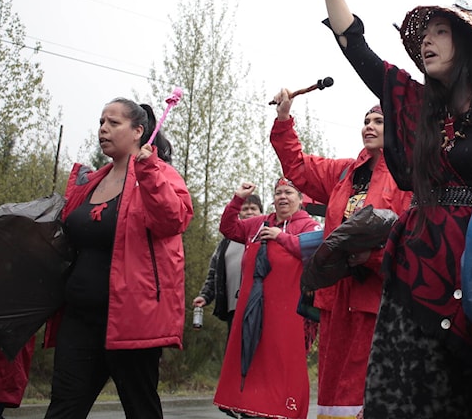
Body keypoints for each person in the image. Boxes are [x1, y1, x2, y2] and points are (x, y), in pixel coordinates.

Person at [309, 0, 472, 418]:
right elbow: (357, 48)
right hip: (417, 260)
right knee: (404, 395)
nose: (427, 41)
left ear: (470, 44)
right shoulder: (419, 107)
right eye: (426, 34)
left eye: (441, 31)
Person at [43, 98, 194, 419]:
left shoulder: (160, 174)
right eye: (101, 122)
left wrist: (149, 172)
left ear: (139, 131)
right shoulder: (92, 181)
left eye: (114, 123)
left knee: (140, 409)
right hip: (79, 318)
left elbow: (174, 220)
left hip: (132, 321)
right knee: (63, 410)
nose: (103, 129)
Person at [270, 90, 412, 419]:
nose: (370, 126)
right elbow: (297, 166)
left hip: (375, 297)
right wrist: (283, 120)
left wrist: (372, 259)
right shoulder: (344, 173)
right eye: (366, 121)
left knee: (368, 388)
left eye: (379, 121)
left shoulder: (405, 179)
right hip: (336, 297)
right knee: (333, 389)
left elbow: (412, 241)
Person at [213, 179, 323, 419]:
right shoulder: (257, 225)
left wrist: (279, 237)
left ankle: (284, 411)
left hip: (289, 313)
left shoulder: (309, 226)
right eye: (278, 192)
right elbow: (229, 229)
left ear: (301, 198)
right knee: (253, 361)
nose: (282, 197)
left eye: (289, 192)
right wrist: (237, 199)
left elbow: (314, 249)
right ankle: (251, 409)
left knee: (281, 364)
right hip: (253, 307)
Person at [192, 194, 264, 336]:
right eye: (245, 209)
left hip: (259, 307)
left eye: (253, 208)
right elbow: (214, 274)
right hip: (233, 308)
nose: (249, 212)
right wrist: (205, 296)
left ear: (261, 212)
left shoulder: (265, 239)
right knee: (234, 352)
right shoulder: (225, 242)